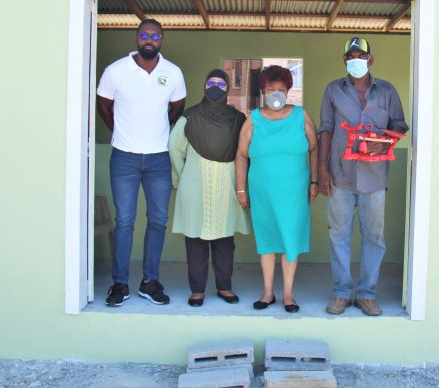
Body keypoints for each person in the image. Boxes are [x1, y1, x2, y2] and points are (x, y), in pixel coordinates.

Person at [96, 19, 186, 307]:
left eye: (155, 35)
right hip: (124, 157)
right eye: (145, 35)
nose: (150, 39)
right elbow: (104, 105)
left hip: (159, 157)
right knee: (125, 222)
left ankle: (150, 282)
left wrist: (158, 131)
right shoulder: (116, 71)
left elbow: (176, 107)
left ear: (162, 39)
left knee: (158, 221)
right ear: (137, 37)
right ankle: (119, 284)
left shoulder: (172, 73)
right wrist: (119, 131)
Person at [318, 37, 409, 316]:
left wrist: (379, 140)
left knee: (374, 238)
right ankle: (342, 293)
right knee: (338, 236)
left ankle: (367, 294)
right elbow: (326, 129)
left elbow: (400, 127)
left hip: (374, 178)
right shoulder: (334, 90)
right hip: (340, 175)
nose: (355, 60)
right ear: (345, 60)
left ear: (371, 59)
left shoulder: (387, 91)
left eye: (360, 55)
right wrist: (322, 169)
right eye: (350, 56)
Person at [235, 65, 319, 313]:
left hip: (294, 191)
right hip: (263, 191)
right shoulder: (254, 119)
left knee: (290, 238)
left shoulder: (301, 116)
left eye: (280, 89)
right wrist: (241, 189)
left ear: (288, 91)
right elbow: (241, 155)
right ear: (262, 91)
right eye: (271, 89)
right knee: (268, 240)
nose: (276, 94)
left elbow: (314, 149)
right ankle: (268, 292)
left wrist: (314, 181)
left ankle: (289, 295)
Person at [168, 69, 250, 307]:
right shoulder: (189, 117)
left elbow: (245, 152)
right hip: (195, 184)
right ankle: (197, 291)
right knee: (195, 238)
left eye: (220, 83)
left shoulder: (238, 119)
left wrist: (243, 185)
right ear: (204, 86)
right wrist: (183, 179)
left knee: (224, 239)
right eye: (210, 82)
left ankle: (225, 287)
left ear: (228, 88)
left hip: (227, 183)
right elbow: (174, 148)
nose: (215, 87)